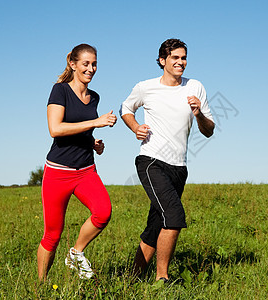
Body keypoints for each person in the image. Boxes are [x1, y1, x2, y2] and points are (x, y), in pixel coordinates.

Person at [120, 38, 215, 282]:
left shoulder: (195, 87)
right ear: (162, 61)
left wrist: (199, 113)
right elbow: (126, 108)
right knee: (173, 216)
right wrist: (135, 127)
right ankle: (162, 279)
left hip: (179, 167)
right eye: (175, 58)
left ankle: (133, 279)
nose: (180, 62)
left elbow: (209, 129)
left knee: (156, 225)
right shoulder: (146, 87)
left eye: (183, 58)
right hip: (151, 161)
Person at [37, 43, 117, 281]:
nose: (91, 69)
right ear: (73, 64)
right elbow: (56, 128)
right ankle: (40, 286)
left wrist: (92, 142)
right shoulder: (59, 90)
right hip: (58, 172)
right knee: (53, 234)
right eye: (86, 64)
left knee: (103, 212)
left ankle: (76, 252)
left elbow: (79, 128)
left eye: (94, 64)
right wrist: (94, 123)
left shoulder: (94, 97)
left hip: (85, 171)